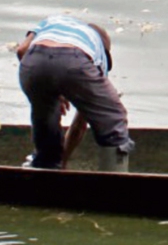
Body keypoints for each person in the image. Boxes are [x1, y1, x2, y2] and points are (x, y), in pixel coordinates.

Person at [16, 14, 134, 171]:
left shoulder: (54, 21)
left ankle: (45, 175)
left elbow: (22, 50)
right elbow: (79, 125)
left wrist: (53, 88)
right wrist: (65, 162)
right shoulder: (98, 51)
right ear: (105, 49)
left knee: (46, 126)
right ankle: (114, 184)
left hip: (33, 61)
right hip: (74, 61)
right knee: (113, 119)